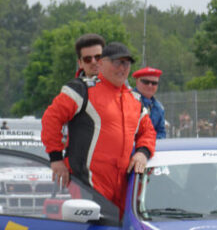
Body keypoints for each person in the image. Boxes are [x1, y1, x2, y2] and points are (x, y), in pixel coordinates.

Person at [40, 41, 156, 210]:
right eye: (117, 62)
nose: (122, 68)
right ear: (101, 63)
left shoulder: (134, 100)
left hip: (123, 192)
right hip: (86, 187)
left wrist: (142, 153)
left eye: (126, 63)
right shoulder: (82, 89)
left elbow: (149, 132)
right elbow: (51, 118)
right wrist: (56, 159)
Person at [131, 67, 167, 138]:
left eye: (154, 83)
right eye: (146, 82)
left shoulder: (159, 108)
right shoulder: (127, 101)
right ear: (137, 82)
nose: (150, 85)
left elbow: (161, 133)